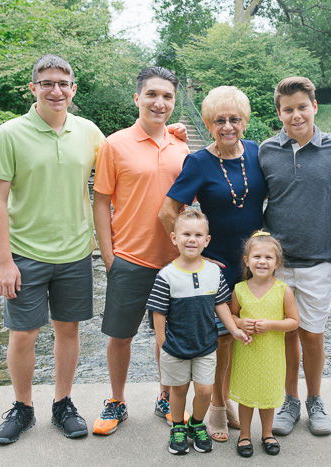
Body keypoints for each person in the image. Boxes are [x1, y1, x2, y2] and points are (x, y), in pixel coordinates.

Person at [0, 54, 104, 444]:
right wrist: (4, 261)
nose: (56, 90)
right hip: (24, 253)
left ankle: (63, 403)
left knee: (68, 330)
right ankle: (22, 408)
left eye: (63, 83)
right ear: (34, 87)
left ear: (73, 89)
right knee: (23, 334)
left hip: (75, 252)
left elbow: (122, 162)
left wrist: (164, 132)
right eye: (48, 83)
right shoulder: (10, 133)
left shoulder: (88, 131)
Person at [159, 86, 267, 441]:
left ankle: (235, 399)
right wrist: (194, 256)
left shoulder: (254, 152)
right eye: (219, 120)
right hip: (216, 267)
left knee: (242, 336)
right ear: (208, 123)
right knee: (220, 339)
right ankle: (219, 408)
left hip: (251, 267)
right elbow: (167, 211)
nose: (227, 126)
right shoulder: (199, 161)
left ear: (245, 122)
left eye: (234, 119)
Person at [92, 66, 190, 435]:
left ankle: (165, 395)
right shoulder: (114, 144)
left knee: (168, 338)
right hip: (129, 259)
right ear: (137, 98)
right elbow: (101, 201)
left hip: (174, 262)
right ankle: (116, 400)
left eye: (166, 96)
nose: (159, 102)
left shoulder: (182, 147)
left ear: (173, 102)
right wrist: (108, 255)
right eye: (152, 94)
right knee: (120, 336)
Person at [259, 76, 331, 436]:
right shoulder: (266, 150)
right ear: (279, 112)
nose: (296, 115)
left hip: (321, 258)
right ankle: (289, 400)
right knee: (285, 335)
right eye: (288, 109)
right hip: (277, 264)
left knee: (312, 332)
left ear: (315, 107)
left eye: (302, 107)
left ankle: (315, 399)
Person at [146, 210, 251, 455]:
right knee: (179, 389)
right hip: (175, 346)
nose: (192, 239)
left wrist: (234, 329)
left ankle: (196, 423)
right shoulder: (166, 275)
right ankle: (178, 427)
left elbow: (221, 304)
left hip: (206, 344)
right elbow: (158, 312)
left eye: (197, 235)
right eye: (186, 234)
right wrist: (162, 343)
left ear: (207, 240)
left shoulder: (213, 273)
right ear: (174, 238)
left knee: (205, 390)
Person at [229, 231, 299, 458]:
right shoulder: (239, 289)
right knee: (247, 395)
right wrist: (240, 322)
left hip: (271, 353)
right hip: (247, 351)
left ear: (277, 262)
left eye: (268, 258)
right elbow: (231, 316)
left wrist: (270, 325)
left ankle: (267, 433)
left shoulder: (283, 291)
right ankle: (245, 434)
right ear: (246, 261)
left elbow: (294, 322)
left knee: (268, 396)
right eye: (257, 256)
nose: (262, 261)